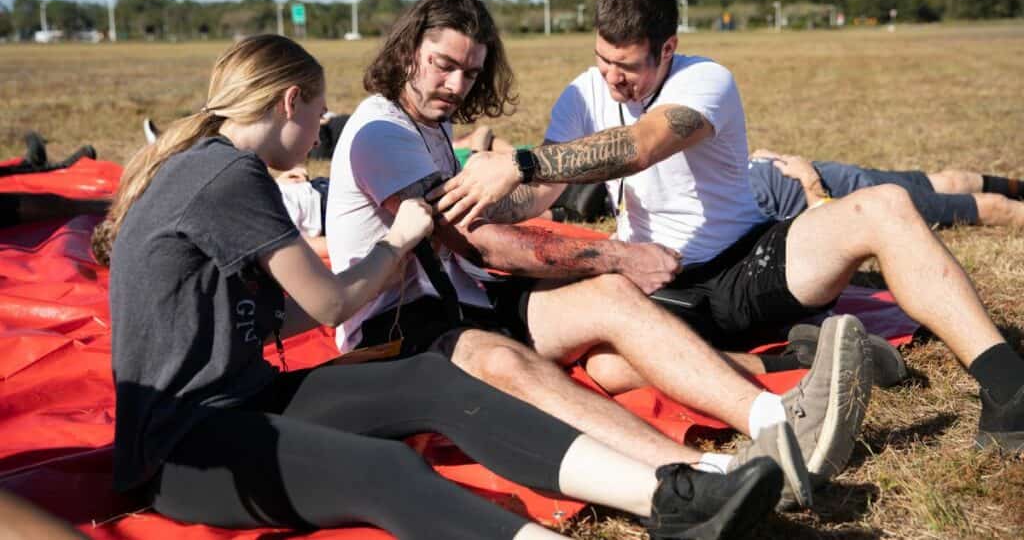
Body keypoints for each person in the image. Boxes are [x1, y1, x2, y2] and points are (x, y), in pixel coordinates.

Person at [88, 34, 782, 540]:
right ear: (290, 101)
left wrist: (378, 267)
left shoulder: (211, 168)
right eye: (319, 118)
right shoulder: (226, 175)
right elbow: (329, 304)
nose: (317, 136)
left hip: (245, 400)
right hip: (182, 449)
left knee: (434, 380)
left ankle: (674, 495)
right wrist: (396, 243)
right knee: (384, 470)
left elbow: (294, 311)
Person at [325, 0, 876, 508]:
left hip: (466, 301)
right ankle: (705, 474)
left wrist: (583, 250)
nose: (455, 84)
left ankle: (775, 418)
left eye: (469, 72)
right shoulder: (382, 132)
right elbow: (478, 244)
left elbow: (502, 222)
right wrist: (617, 254)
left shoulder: (431, 124)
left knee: (610, 298)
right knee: (509, 359)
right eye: (443, 65)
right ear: (407, 50)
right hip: (397, 330)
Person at [433, 0, 1024, 453]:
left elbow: (641, 146)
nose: (613, 78)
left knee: (884, 205)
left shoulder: (705, 79)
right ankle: (805, 357)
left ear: (667, 49)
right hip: (658, 282)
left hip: (749, 265)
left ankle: (1006, 385)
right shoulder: (584, 92)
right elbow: (536, 198)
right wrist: (470, 201)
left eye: (630, 65)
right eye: (603, 59)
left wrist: (524, 163)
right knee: (605, 366)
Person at [748, 149, 1024, 228]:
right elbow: (818, 225)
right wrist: (809, 180)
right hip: (868, 197)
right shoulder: (742, 216)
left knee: (954, 181)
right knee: (993, 208)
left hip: (848, 173)